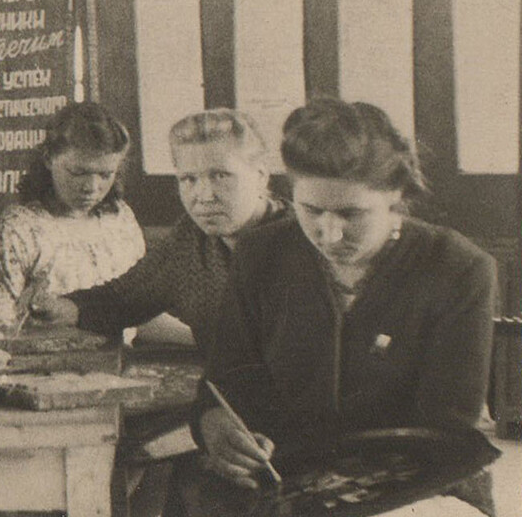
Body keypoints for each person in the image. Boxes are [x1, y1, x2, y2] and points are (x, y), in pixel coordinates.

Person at [188, 98, 497, 516]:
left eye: (353, 214)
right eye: (311, 210)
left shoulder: (458, 268)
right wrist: (215, 425)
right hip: (287, 479)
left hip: (422, 485)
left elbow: (445, 429)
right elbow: (226, 378)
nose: (330, 235)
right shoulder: (261, 254)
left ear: (395, 196)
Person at [33, 108, 286, 356]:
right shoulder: (191, 238)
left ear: (261, 175)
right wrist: (63, 308)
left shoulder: (301, 240)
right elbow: (125, 298)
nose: (205, 196)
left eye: (220, 176)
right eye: (189, 179)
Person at [0, 102, 147, 328]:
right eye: (78, 172)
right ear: (49, 158)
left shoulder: (121, 219)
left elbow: (143, 313)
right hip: (45, 361)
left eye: (106, 174)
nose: (92, 187)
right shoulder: (19, 230)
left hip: (123, 359)